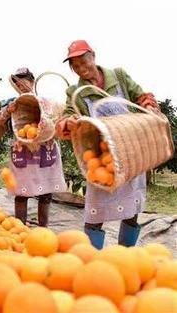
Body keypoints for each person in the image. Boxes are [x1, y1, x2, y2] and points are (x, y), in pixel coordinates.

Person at [56, 40, 159, 248]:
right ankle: (92, 256)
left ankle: (124, 253)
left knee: (131, 210)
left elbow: (141, 96)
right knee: (95, 212)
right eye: (75, 66)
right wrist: (68, 122)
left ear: (93, 56)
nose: (81, 68)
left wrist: (149, 106)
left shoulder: (119, 76)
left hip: (131, 154)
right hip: (102, 157)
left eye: (84, 61)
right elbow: (67, 116)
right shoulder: (76, 93)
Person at [0, 68, 67, 226]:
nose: (20, 86)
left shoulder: (46, 101)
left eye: (23, 81)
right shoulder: (12, 102)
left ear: (32, 81)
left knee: (46, 193)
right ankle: (20, 227)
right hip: (23, 153)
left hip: (45, 150)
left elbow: (58, 119)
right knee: (21, 192)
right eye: (17, 83)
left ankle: (43, 228)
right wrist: (8, 110)